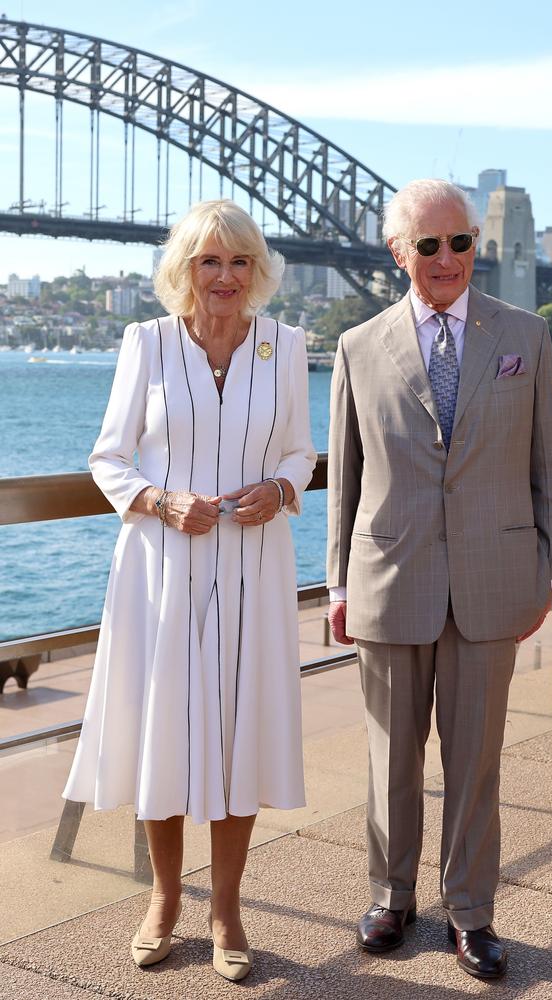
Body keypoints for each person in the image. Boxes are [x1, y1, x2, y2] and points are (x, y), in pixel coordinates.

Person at [63, 200, 316, 981]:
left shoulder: (287, 345)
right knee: (164, 730)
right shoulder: (146, 343)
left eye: (240, 262)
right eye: (210, 261)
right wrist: (162, 500)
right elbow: (109, 458)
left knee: (240, 730)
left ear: (257, 271)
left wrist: (282, 487)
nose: (225, 276)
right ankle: (164, 901)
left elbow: (305, 452)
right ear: (185, 270)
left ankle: (227, 911)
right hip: (162, 568)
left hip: (253, 564)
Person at [327, 179, 552, 980]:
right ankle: (392, 896)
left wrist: (548, 573)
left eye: (459, 242)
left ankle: (471, 912)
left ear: (477, 245)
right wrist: (337, 585)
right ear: (399, 253)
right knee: (390, 756)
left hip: (495, 579)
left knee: (476, 761)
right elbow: (349, 479)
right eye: (427, 245)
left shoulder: (525, 336)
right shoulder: (359, 346)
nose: (445, 259)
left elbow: (548, 467)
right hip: (390, 577)